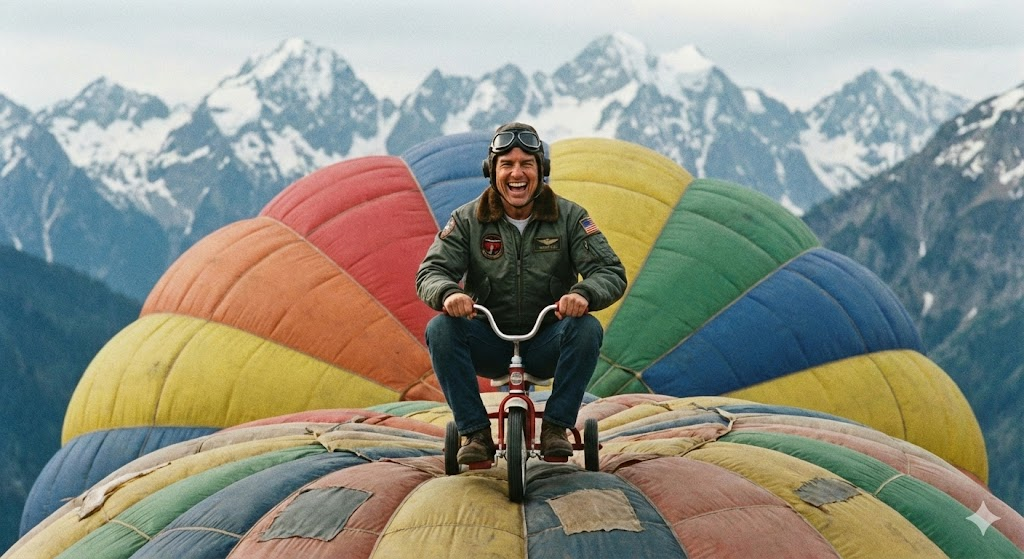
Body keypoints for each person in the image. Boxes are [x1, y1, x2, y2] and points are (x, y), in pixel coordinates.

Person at [416, 122, 627, 464]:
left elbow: (610, 272)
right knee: (440, 329)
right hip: (491, 340)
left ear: (541, 171)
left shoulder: (570, 218)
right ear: (492, 172)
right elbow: (431, 271)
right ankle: (475, 432)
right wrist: (447, 295)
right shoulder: (468, 220)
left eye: (527, 164)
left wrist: (584, 294)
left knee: (587, 329)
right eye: (507, 165)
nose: (517, 173)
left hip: (547, 340)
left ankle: (556, 426)